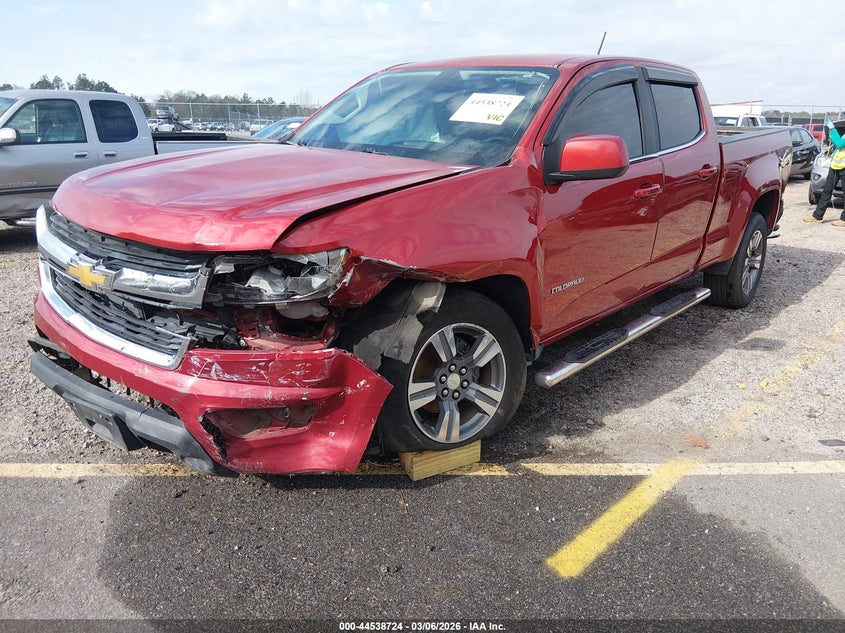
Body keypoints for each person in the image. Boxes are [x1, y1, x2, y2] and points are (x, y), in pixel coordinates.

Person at [805, 120, 845, 226]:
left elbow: (840, 144)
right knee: (826, 191)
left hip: (843, 167)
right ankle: (817, 216)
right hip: (836, 166)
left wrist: (832, 130)